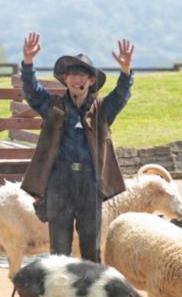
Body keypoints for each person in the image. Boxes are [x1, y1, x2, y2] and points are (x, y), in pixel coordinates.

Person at [19, 32, 134, 263]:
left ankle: (90, 294)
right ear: (65, 79)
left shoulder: (102, 110)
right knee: (59, 249)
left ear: (91, 81)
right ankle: (61, 295)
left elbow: (121, 96)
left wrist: (125, 71)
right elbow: (31, 92)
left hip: (90, 185)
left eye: (82, 74)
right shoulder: (53, 107)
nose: (77, 79)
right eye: (72, 74)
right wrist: (29, 63)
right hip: (59, 183)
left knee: (91, 247)